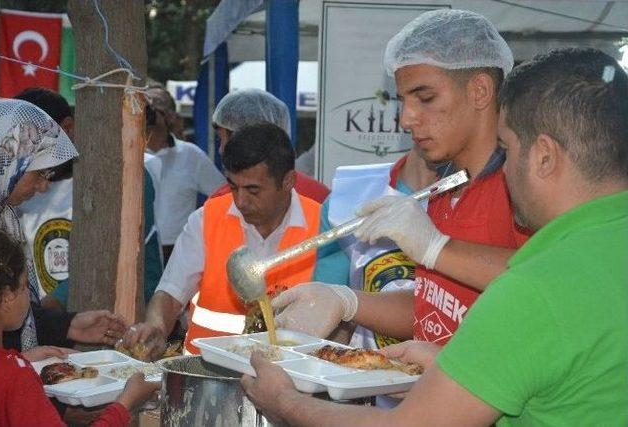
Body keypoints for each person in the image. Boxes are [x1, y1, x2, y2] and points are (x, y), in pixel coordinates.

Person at [241, 47, 628, 427]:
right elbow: (447, 306)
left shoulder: (534, 288)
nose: (407, 119)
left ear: (544, 156)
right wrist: (348, 301)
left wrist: (284, 403)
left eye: (507, 151)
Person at [277, 9, 527, 347]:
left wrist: (437, 249)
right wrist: (346, 301)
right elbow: (432, 306)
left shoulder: (521, 185)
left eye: (425, 98)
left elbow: (547, 280)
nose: (406, 119)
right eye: (403, 101)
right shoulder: (444, 189)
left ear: (480, 90)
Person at [122, 123, 322, 358]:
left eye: (253, 190)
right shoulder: (207, 219)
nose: (241, 201)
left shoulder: (322, 227)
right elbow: (170, 292)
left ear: (288, 181)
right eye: (233, 187)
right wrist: (155, 327)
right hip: (207, 374)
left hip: (291, 376)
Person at [0, 98, 127, 353]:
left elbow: (6, 311)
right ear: (6, 161)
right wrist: (18, 366)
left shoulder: (3, 216)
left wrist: (70, 325)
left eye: (49, 175)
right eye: (39, 173)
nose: (43, 187)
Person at [0, 228, 160, 426]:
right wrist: (125, 404)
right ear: (7, 296)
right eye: (25, 285)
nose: (29, 294)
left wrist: (23, 359)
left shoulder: (10, 371)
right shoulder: (16, 378)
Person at [14, 88, 164, 308]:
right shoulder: (17, 186)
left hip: (118, 319)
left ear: (67, 128)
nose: (28, 157)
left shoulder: (119, 178)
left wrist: (46, 314)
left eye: (35, 146)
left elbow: (117, 256)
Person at [145, 87, 225, 262]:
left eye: (157, 106)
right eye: (146, 105)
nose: (149, 111)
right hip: (139, 248)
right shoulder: (129, 154)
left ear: (172, 115)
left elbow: (224, 195)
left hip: (178, 251)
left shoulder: (191, 155)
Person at [210, 88, 330, 203]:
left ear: (243, 140)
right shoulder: (322, 195)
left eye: (222, 139)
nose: (220, 150)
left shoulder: (221, 202)